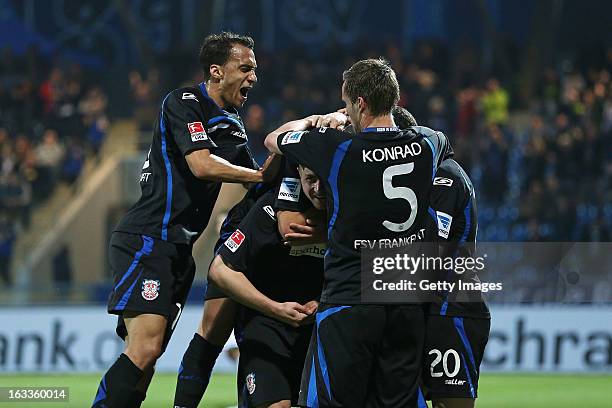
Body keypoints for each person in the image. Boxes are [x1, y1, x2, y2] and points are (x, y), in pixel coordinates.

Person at [92, 32, 280, 408]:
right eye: (245, 68)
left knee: (148, 360)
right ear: (216, 71)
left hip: (178, 252)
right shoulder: (184, 102)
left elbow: (260, 180)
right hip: (147, 240)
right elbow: (201, 164)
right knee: (145, 349)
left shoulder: (231, 123)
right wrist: (259, 176)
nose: (253, 77)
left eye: (254, 69)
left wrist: (304, 131)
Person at [264, 58, 451, 407]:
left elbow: (273, 139)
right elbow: (431, 141)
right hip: (404, 302)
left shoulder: (337, 148)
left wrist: (320, 121)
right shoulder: (429, 144)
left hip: (350, 300)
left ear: (359, 104)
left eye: (348, 104)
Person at [208, 165, 326, 408]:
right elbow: (220, 271)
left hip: (320, 329)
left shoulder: (348, 214)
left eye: (323, 179)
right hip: (266, 327)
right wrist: (275, 308)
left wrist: (325, 300)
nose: (318, 188)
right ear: (298, 175)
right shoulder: (268, 210)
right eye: (310, 179)